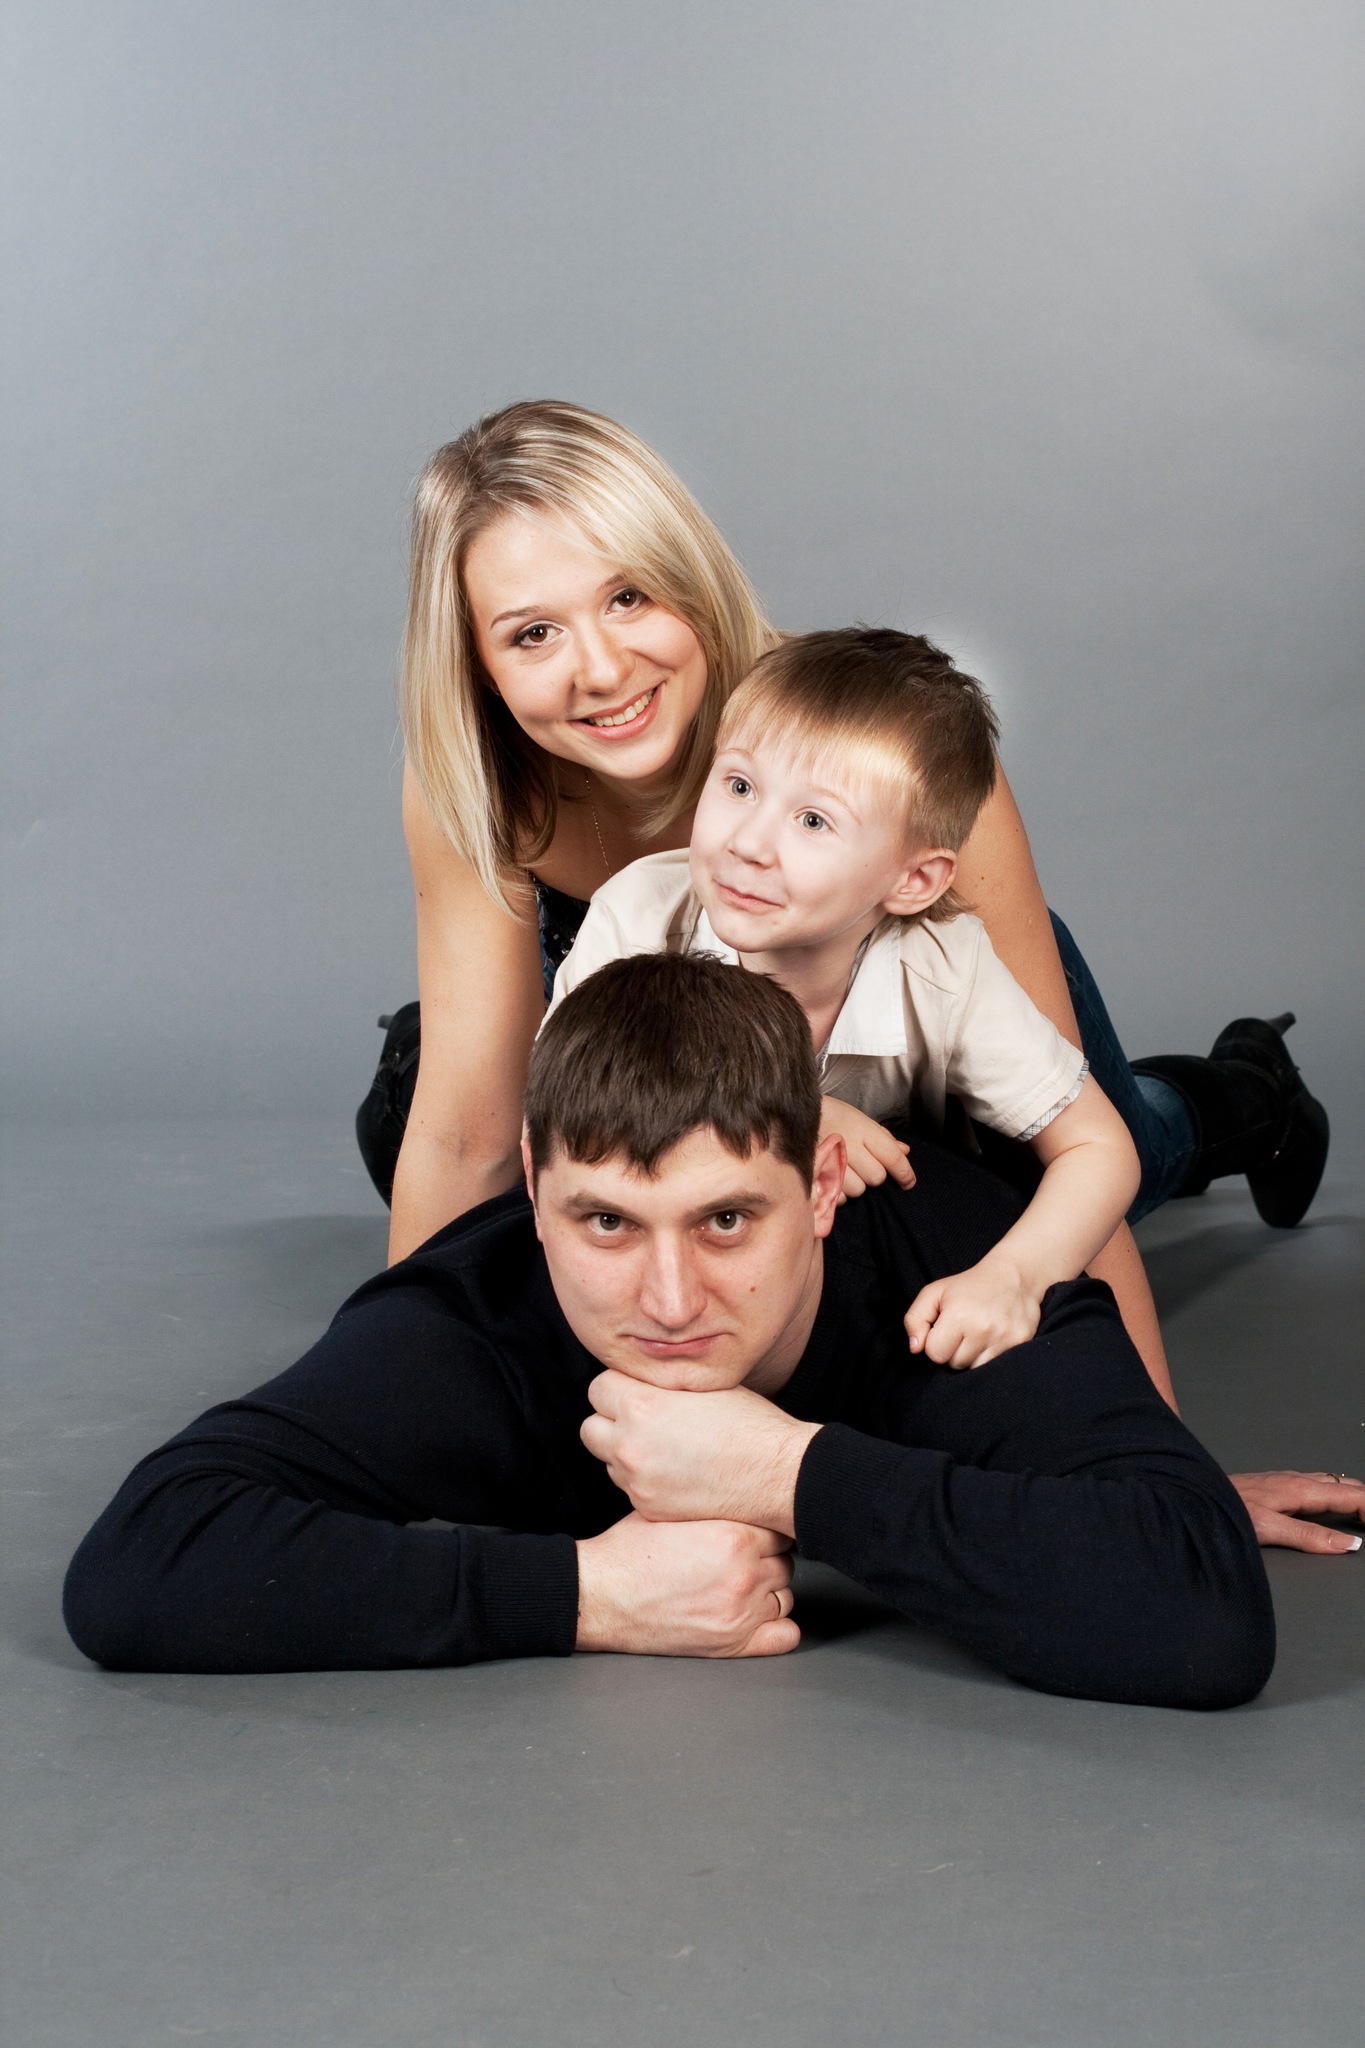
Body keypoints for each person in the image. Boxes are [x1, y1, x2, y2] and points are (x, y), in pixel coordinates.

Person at [354, 400, 1330, 1525]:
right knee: (455, 1128)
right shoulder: (479, 779)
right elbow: (469, 1137)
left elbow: (1067, 1156)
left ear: (688, 577)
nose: (602, 667)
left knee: (1106, 1158)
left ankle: (1248, 1095)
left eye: (629, 596)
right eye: (532, 634)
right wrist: (400, 1423)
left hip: (893, 992)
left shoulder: (872, 746)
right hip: (647, 1008)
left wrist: (1169, 1482)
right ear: (477, 664)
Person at [70, 954, 1352, 1703]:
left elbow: (1204, 1609)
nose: (670, 1301)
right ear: (534, 1191)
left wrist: (784, 1471)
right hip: (637, 1037)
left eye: (728, 1219)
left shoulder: (963, 1278)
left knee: (1142, 1138)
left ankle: (1250, 1086)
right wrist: (587, 1593)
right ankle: (416, 1065)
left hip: (967, 1096)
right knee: (416, 1122)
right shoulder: (478, 1309)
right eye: (606, 1223)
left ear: (825, 1183)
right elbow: (138, 1561)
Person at [552, 625, 1150, 1383]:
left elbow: (1099, 1149)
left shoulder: (946, 968)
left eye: (813, 821)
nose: (747, 844)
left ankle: (1238, 1098)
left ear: (911, 881)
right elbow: (563, 1116)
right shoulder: (638, 916)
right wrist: (800, 1113)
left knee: (1154, 1144)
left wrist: (1014, 1278)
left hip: (961, 1150)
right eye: (738, 787)